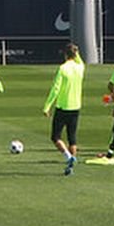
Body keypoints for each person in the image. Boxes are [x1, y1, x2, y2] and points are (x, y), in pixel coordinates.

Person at [42, 43, 85, 175]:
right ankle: (71, 167)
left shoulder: (63, 68)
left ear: (65, 54)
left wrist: (47, 106)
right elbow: (79, 60)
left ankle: (68, 157)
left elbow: (55, 89)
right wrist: (76, 51)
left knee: (55, 137)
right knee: (72, 138)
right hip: (76, 106)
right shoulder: (80, 67)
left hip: (63, 107)